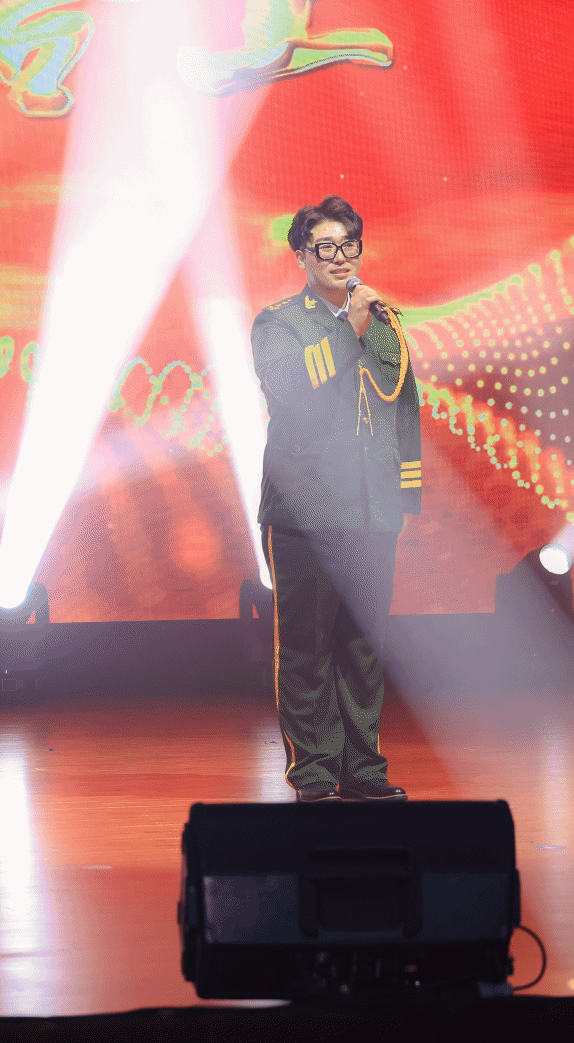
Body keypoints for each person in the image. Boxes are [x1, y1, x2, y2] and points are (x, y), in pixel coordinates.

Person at [250, 195, 423, 803]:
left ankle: (363, 768)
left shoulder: (384, 319)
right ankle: (315, 771)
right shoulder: (278, 323)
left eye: (350, 245)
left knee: (364, 646)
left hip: (372, 509)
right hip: (306, 511)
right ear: (302, 256)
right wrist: (349, 326)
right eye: (325, 247)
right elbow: (292, 388)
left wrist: (405, 494)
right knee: (307, 647)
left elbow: (405, 403)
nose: (341, 257)